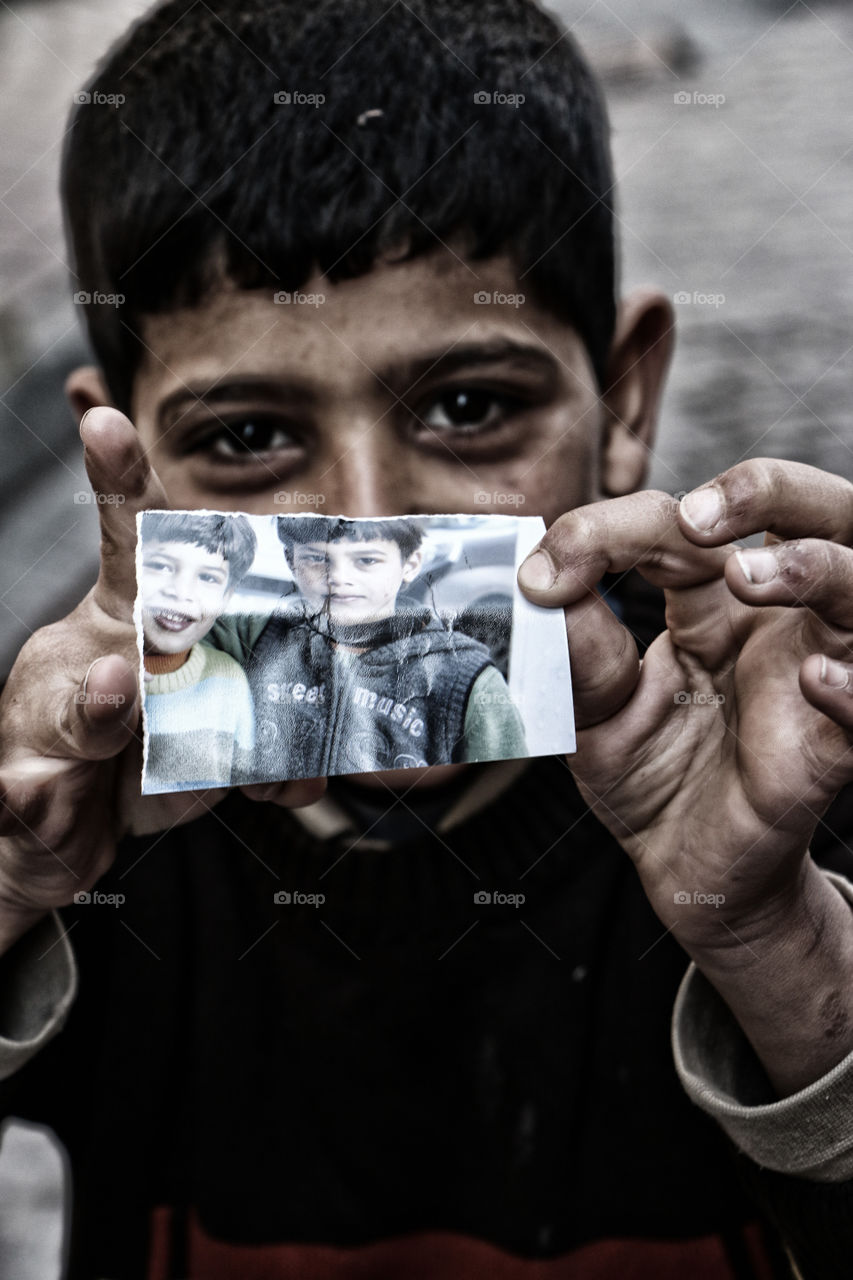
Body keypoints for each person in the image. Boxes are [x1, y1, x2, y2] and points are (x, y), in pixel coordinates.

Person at [0, 1, 852, 1276]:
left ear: (624, 404)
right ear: (124, 459)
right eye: (247, 436)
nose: (372, 528)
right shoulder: (78, 815)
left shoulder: (777, 777)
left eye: (466, 407)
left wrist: (769, 940)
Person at [212, 515, 527, 778]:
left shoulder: (465, 679)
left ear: (410, 563)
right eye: (316, 558)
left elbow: (498, 791)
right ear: (290, 561)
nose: (338, 577)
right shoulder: (254, 635)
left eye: (366, 560)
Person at [138, 510, 258, 792]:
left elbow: (243, 784)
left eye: (208, 577)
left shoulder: (229, 680)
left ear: (226, 598)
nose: (181, 592)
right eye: (161, 566)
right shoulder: (90, 663)